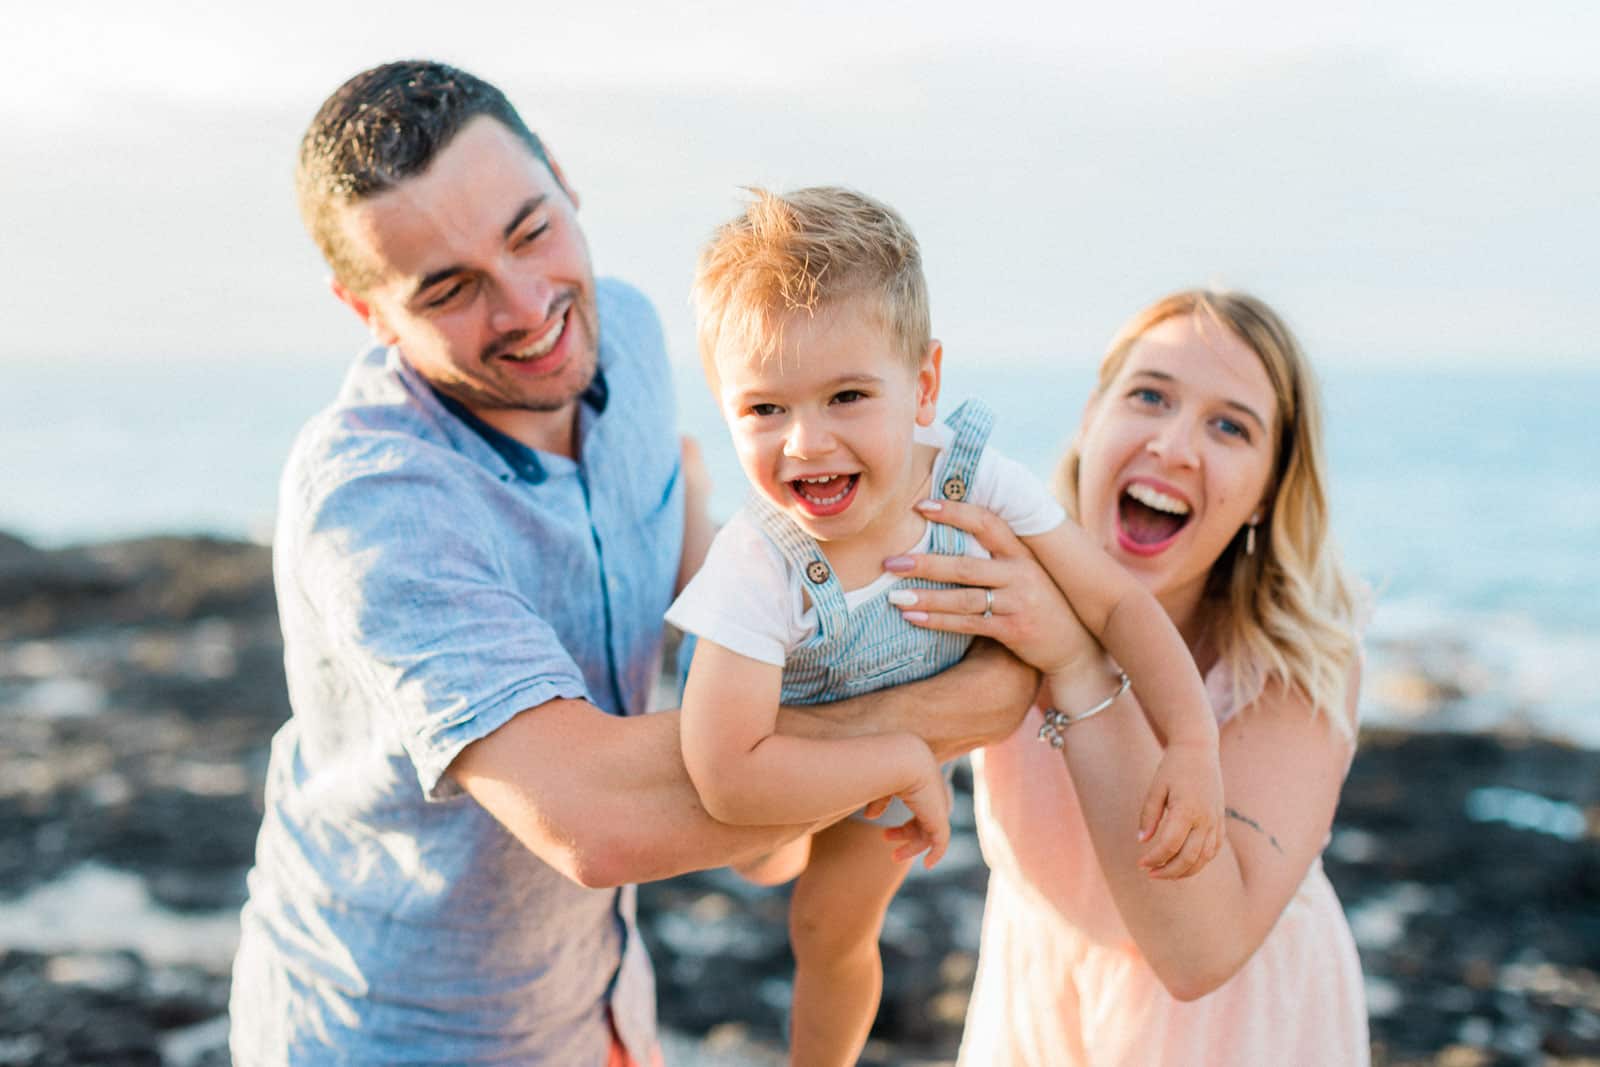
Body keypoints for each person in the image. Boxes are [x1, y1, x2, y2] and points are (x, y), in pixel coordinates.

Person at [227, 61, 1039, 1066]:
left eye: (531, 230)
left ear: (564, 178)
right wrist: (960, 704)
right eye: (449, 288)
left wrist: (795, 751)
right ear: (368, 313)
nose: (527, 306)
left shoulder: (634, 339)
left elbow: (725, 648)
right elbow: (595, 818)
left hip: (606, 999)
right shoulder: (375, 495)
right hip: (393, 1032)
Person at [666, 187, 1228, 1067]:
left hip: (887, 749)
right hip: (776, 710)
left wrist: (1192, 742)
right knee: (762, 859)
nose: (807, 442)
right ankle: (684, 530)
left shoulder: (974, 485)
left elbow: (1115, 602)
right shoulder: (759, 561)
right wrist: (895, 757)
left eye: (848, 395)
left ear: (923, 385)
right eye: (764, 410)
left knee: (831, 930)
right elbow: (728, 776)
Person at [883, 290, 1370, 1064]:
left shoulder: (1297, 661)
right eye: (1149, 395)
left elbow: (1199, 953)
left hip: (1240, 1033)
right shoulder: (996, 581)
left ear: (1268, 490)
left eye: (1230, 425)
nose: (1174, 446)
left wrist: (1076, 666)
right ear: (1091, 417)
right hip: (1039, 1017)